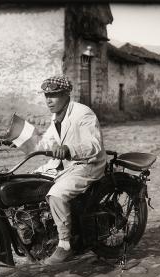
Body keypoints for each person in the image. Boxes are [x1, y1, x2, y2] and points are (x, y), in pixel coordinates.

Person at [12, 75, 107, 264]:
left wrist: (69, 149)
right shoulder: (56, 116)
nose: (49, 100)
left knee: (56, 194)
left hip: (86, 165)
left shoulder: (83, 113)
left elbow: (94, 144)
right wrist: (16, 139)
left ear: (66, 94)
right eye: (46, 95)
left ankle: (65, 244)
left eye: (54, 95)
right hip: (63, 166)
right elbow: (47, 142)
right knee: (25, 184)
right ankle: (37, 232)